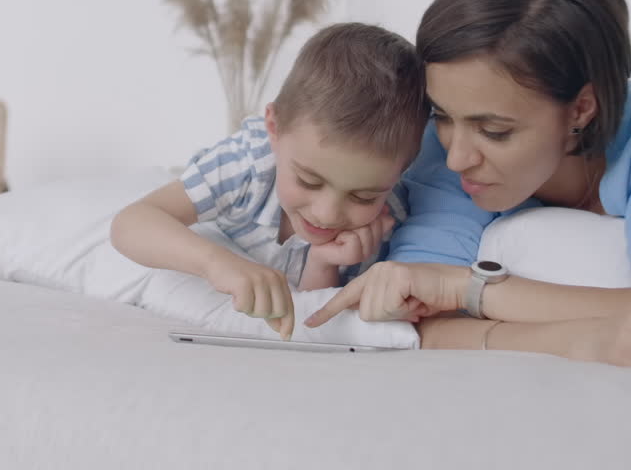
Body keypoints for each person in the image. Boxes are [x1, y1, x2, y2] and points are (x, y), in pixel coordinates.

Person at [305, 0, 631, 368]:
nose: (457, 157)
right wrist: (579, 340)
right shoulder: (440, 148)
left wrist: (465, 288)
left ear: (582, 109)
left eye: (494, 131)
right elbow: (409, 323)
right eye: (442, 115)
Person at [110, 22, 428, 341]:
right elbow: (131, 223)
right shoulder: (248, 163)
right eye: (309, 181)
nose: (328, 213)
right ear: (273, 128)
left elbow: (310, 325)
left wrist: (322, 263)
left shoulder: (387, 221)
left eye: (362, 197)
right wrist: (216, 263)